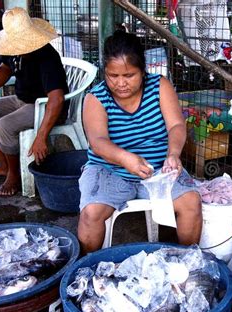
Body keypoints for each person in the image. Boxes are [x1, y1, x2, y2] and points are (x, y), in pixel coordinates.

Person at [78, 31, 202, 254]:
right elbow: (98, 141)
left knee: (191, 203)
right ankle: (86, 265)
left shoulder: (159, 86)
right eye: (113, 76)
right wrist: (125, 159)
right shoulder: (95, 98)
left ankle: (188, 261)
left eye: (129, 75)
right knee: (91, 213)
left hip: (159, 170)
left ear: (143, 71)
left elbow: (176, 125)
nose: (121, 83)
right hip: (109, 170)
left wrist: (173, 154)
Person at [0, 7, 68, 196]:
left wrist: (41, 137)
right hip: (21, 99)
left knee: (4, 126)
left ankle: (14, 176)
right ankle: (4, 165)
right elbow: (4, 69)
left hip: (44, 105)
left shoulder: (47, 57)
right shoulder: (14, 50)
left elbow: (56, 100)